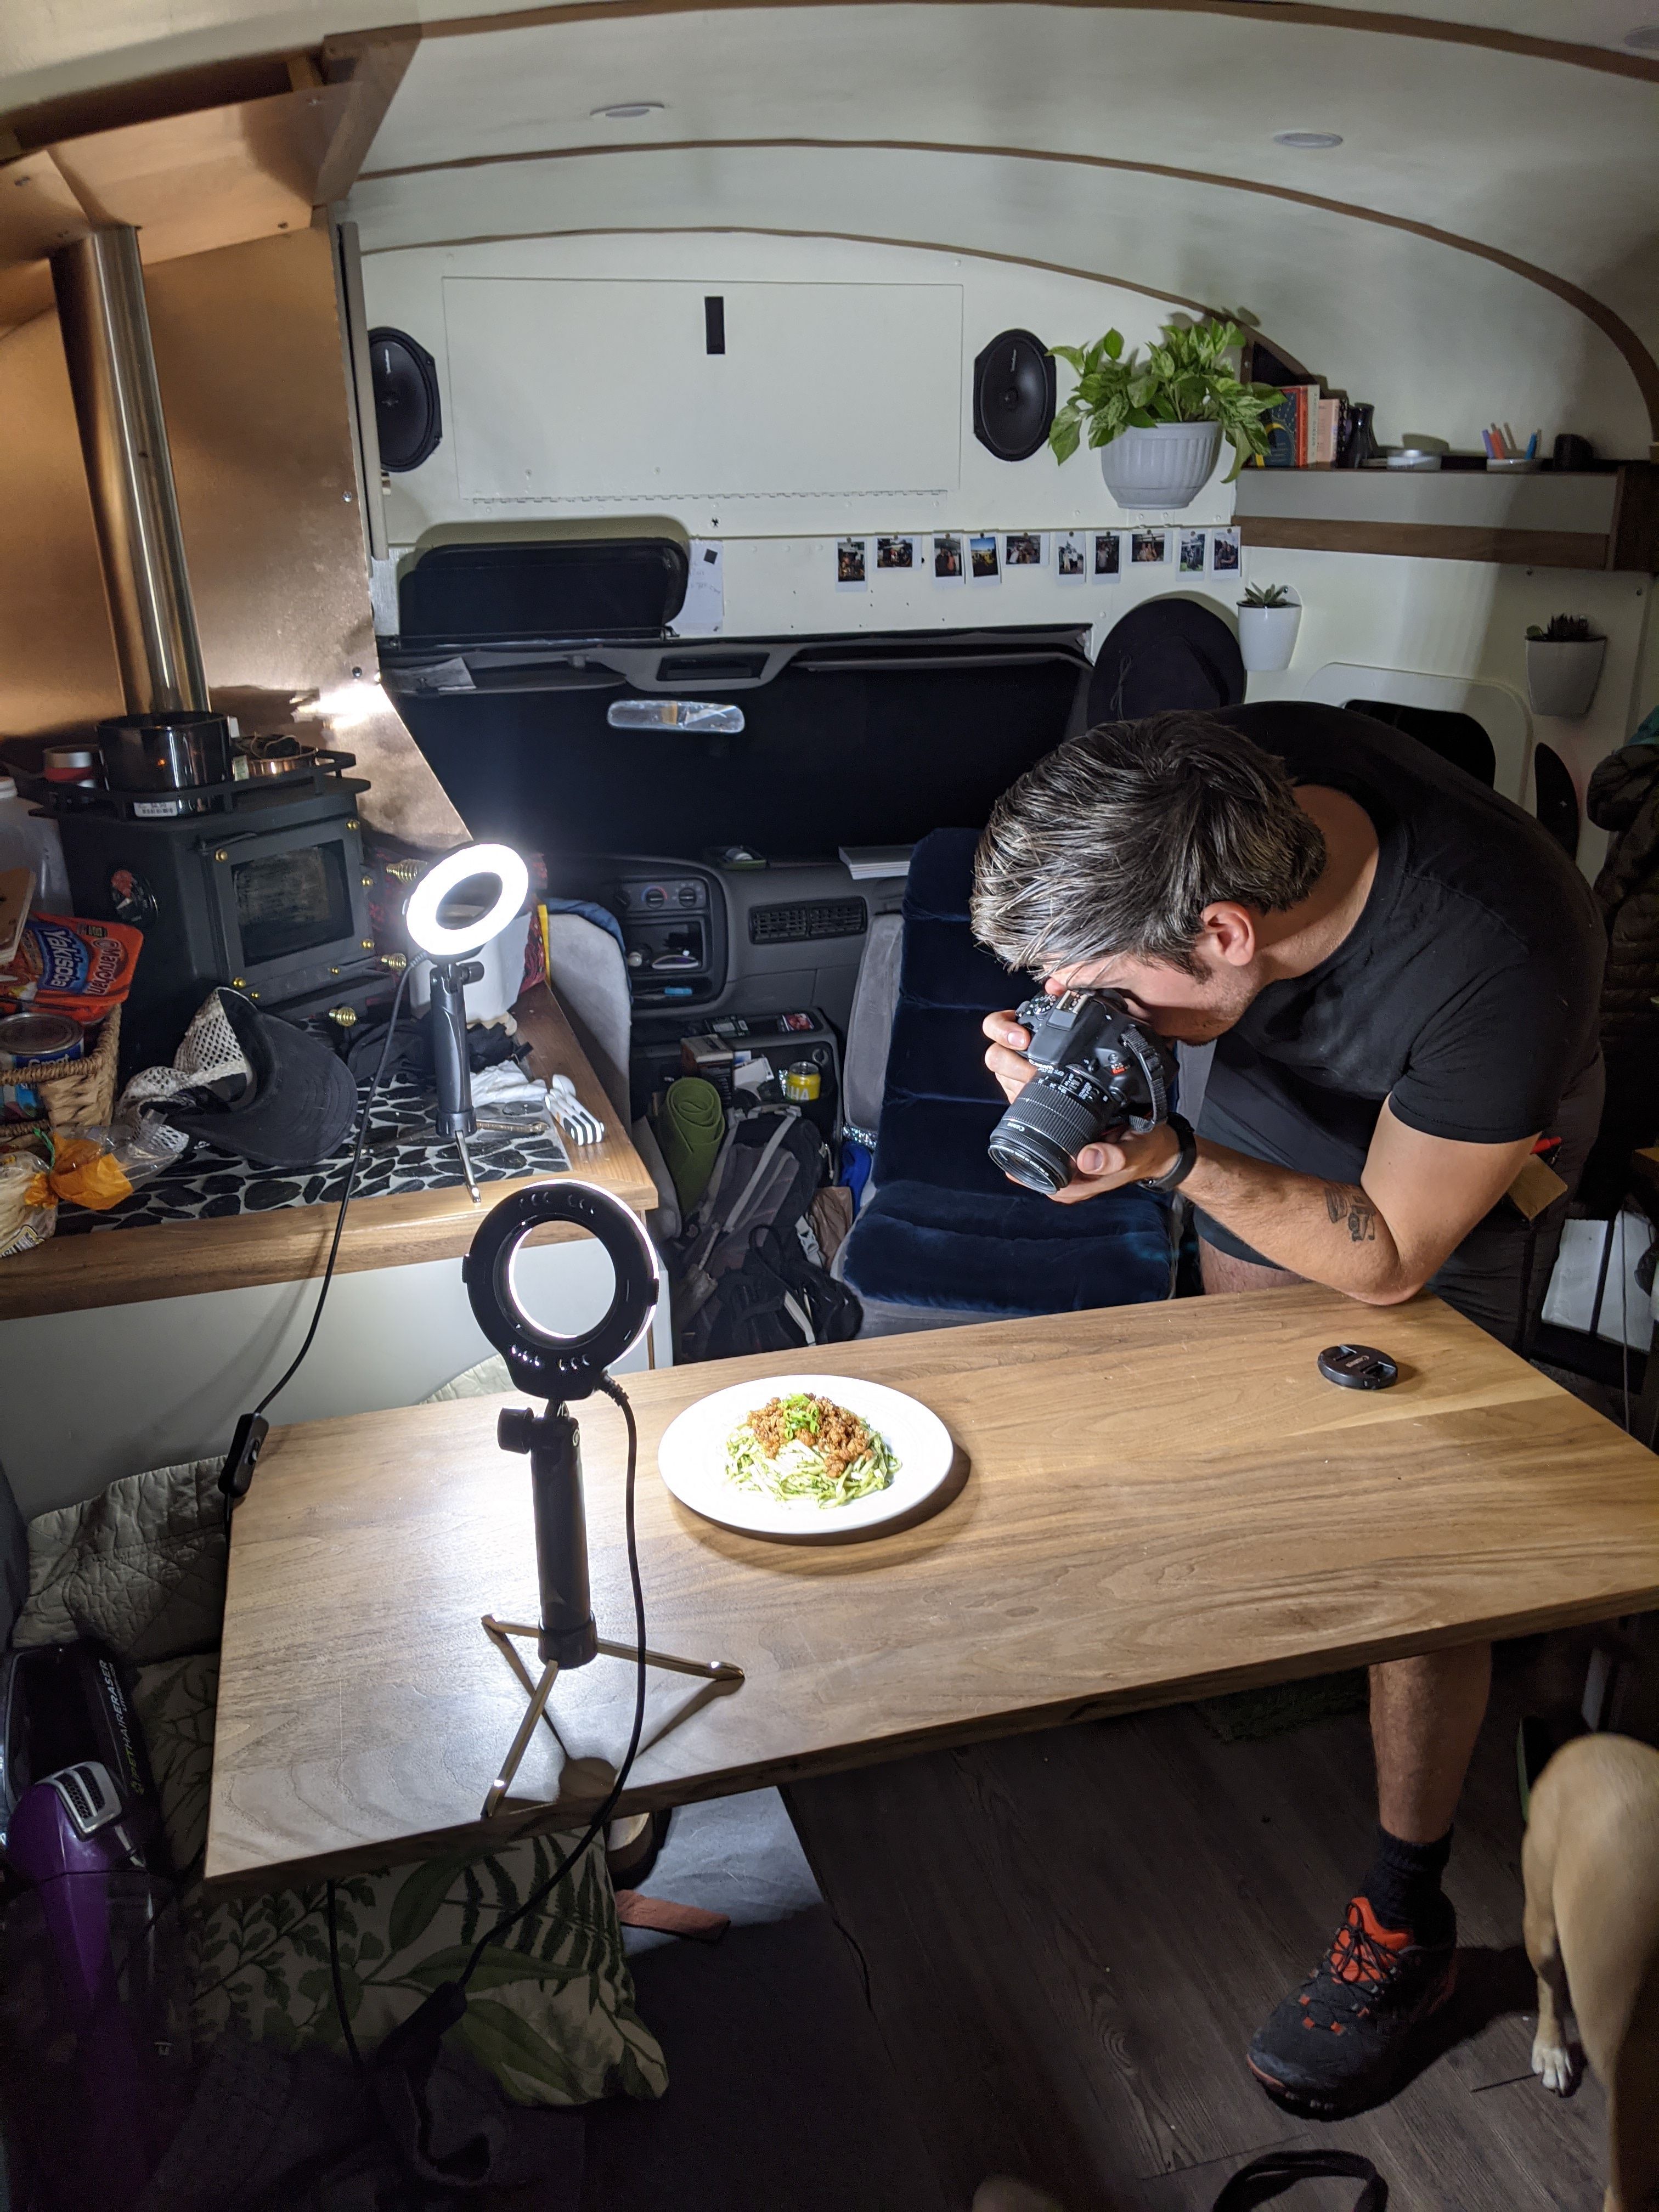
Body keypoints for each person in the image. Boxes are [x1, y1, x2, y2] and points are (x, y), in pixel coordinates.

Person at [971, 702, 1605, 2119]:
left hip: (1445, 1165)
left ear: (1227, 937)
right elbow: (1193, 1108)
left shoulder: (1497, 951)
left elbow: (1384, 1254)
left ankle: (1408, 1912)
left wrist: (1164, 1154)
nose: (1089, 1018)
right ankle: (1291, 1636)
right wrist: (1082, 1052)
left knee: (1414, 1540)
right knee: (1263, 1415)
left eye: (1104, 995)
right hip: (1254, 1102)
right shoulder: (1208, 782)